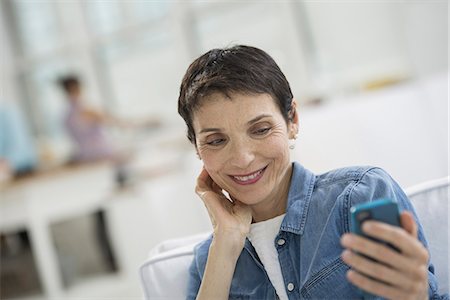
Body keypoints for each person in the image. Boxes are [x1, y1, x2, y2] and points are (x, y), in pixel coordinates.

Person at [177, 45, 447, 299]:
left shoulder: (361, 195)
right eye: (216, 141)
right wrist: (226, 244)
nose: (243, 158)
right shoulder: (207, 263)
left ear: (292, 120)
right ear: (197, 148)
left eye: (260, 130)